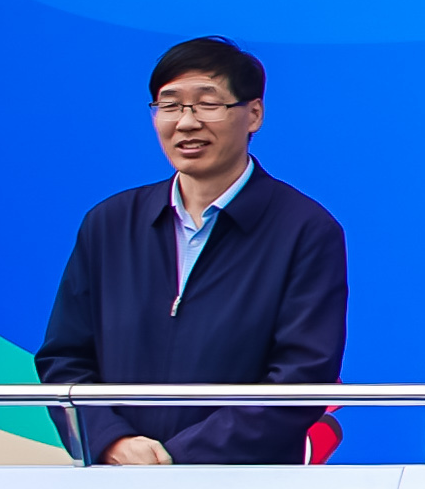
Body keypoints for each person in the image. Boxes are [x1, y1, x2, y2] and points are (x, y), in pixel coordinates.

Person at [37, 35, 348, 466]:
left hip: (246, 485)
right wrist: (111, 441)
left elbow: (301, 377)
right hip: (119, 478)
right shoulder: (109, 223)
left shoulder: (305, 229)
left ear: (254, 114)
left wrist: (177, 458)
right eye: (170, 105)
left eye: (207, 104)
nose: (186, 123)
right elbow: (65, 358)